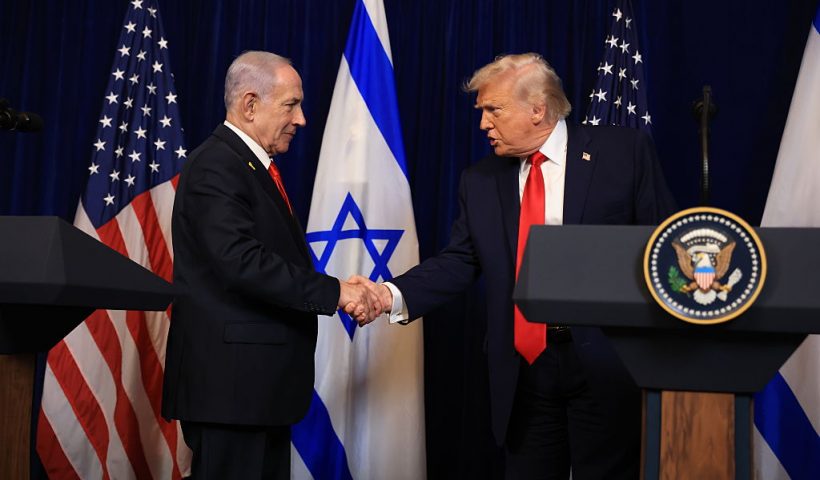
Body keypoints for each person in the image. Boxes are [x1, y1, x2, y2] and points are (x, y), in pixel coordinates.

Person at [354, 53, 676, 479]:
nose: (484, 123)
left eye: (494, 110)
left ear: (538, 109)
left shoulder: (623, 153)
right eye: (483, 111)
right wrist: (387, 294)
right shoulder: (482, 180)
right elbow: (460, 261)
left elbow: (661, 248)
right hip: (524, 372)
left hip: (606, 363)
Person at [161, 51, 381, 479]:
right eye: (290, 104)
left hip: (256, 392)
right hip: (232, 393)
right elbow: (241, 262)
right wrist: (337, 293)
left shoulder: (248, 167)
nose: (301, 119)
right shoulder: (216, 166)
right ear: (249, 105)